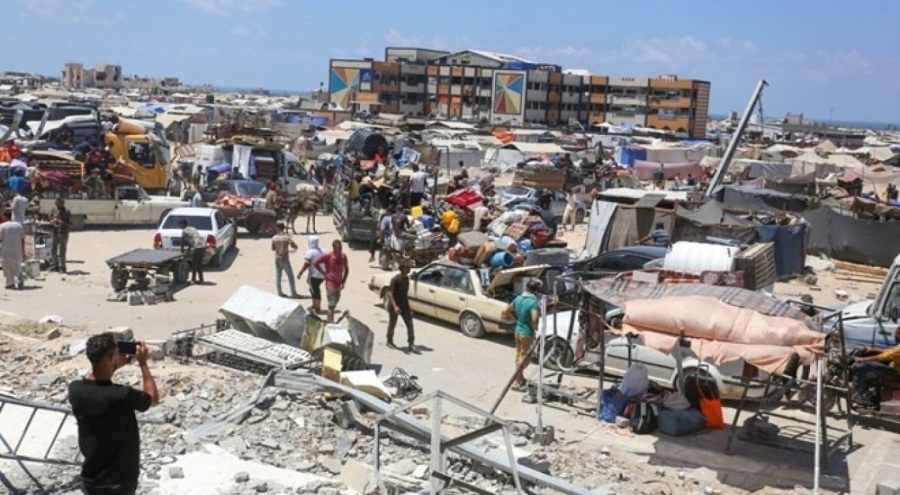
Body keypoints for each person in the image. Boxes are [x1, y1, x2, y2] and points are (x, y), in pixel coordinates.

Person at [69, 333, 159, 495]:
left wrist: (114, 363)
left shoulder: (75, 389)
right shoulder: (121, 395)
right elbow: (152, 399)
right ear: (111, 357)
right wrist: (143, 364)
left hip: (92, 479)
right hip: (119, 482)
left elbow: (98, 380)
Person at [505, 279, 542, 391]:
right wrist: (535, 328)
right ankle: (517, 381)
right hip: (527, 334)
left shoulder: (518, 298)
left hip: (518, 331)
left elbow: (507, 310)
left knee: (519, 355)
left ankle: (521, 379)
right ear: (536, 291)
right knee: (525, 358)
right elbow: (534, 319)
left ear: (526, 287)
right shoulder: (533, 303)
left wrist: (516, 319)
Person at [851, 327, 900, 405]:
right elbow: (891, 351)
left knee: (866, 365)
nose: (895, 337)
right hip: (895, 370)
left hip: (897, 374)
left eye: (897, 335)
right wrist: (872, 349)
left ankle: (861, 394)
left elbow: (883, 357)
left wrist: (862, 359)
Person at [314, 240, 349, 323]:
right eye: (338, 248)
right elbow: (315, 263)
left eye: (341, 248)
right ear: (334, 248)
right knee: (331, 305)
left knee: (335, 302)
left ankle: (329, 320)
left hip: (338, 283)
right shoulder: (328, 256)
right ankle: (331, 322)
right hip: (330, 283)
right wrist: (324, 273)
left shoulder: (343, 256)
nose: (340, 250)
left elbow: (347, 269)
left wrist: (343, 281)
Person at [386, 259, 417, 353]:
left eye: (409, 267)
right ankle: (389, 341)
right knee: (392, 324)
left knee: (410, 324)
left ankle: (411, 344)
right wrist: (395, 306)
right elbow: (390, 293)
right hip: (394, 306)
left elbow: (404, 294)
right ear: (402, 268)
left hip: (404, 306)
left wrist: (408, 306)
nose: (409, 269)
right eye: (407, 267)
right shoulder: (396, 279)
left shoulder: (406, 279)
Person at [297, 236, 326, 314]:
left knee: (315, 290)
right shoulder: (323, 250)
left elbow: (306, 264)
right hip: (322, 275)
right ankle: (314, 304)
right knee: (313, 289)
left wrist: (300, 273)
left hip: (314, 275)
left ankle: (317, 307)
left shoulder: (310, 252)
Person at [271, 222, 299, 298]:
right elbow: (294, 246)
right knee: (290, 276)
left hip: (277, 258)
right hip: (285, 259)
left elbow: (273, 248)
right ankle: (293, 293)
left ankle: (279, 292)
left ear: (277, 228)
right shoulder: (287, 237)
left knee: (278, 275)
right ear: (283, 228)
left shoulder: (274, 237)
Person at [0, 220, 25, 289]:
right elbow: (22, 239)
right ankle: (19, 280)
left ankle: (10, 283)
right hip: (17, 250)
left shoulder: (2, 226)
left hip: (5, 251)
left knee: (7, 268)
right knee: (17, 266)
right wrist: (23, 250)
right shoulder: (19, 225)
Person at [179, 219, 205, 284]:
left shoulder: (184, 231)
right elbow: (192, 241)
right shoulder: (193, 228)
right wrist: (188, 250)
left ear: (183, 224)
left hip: (197, 247)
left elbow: (182, 241)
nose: (180, 227)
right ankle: (201, 279)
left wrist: (182, 251)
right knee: (199, 265)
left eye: (180, 225)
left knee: (194, 265)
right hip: (202, 247)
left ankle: (193, 280)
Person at [50, 198, 71, 273]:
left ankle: (63, 267)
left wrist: (61, 222)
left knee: (62, 251)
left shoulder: (67, 211)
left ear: (62, 203)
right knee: (53, 251)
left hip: (63, 233)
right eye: (56, 203)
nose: (57, 205)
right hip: (55, 232)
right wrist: (52, 222)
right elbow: (50, 218)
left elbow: (70, 224)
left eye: (59, 203)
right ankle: (55, 266)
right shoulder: (53, 210)